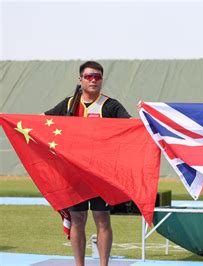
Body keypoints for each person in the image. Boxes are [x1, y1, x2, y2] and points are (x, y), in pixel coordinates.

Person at [44, 61, 131, 266]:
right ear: (80, 79)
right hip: (74, 174)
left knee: (102, 219)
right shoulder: (68, 104)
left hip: (101, 173)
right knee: (78, 220)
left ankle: (103, 264)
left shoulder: (110, 105)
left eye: (97, 77)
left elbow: (130, 125)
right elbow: (41, 121)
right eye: (89, 76)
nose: (93, 80)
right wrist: (11, 120)